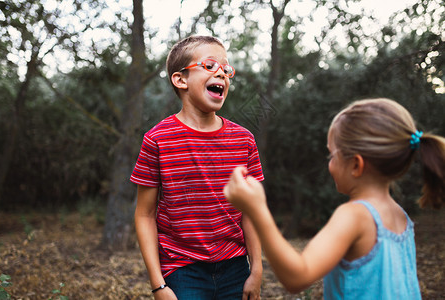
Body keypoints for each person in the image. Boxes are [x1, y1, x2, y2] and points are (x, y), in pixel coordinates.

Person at [224, 98, 445, 299]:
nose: (329, 163)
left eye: (332, 155)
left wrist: (256, 210)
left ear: (356, 165)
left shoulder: (355, 216)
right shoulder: (400, 215)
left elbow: (297, 277)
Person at [131, 35, 264, 300]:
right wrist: (158, 285)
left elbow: (250, 210)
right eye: (211, 65)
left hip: (236, 267)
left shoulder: (244, 140)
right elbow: (145, 215)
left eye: (227, 69)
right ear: (181, 80)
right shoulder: (157, 139)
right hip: (182, 270)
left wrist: (257, 269)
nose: (223, 74)